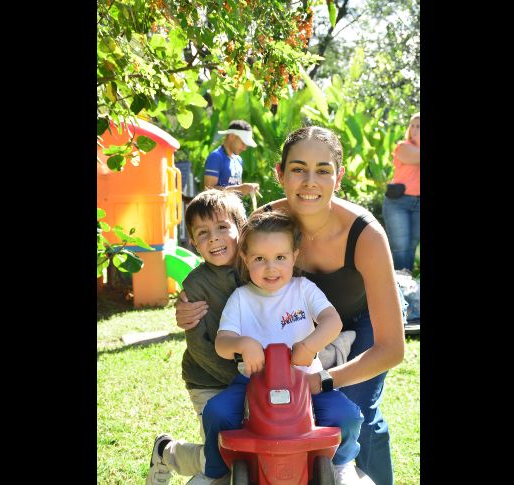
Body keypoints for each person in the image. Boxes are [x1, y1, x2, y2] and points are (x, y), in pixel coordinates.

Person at [177, 126, 406, 485]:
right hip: (290, 336)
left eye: (323, 170)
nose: (309, 181)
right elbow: (221, 265)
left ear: (338, 177)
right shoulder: (264, 224)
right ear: (279, 174)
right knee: (270, 417)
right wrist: (188, 301)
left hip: (363, 319)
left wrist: (324, 380)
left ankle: (357, 472)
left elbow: (392, 348)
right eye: (298, 169)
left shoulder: (366, 235)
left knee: (358, 410)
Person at [202, 210, 365, 484]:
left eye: (280, 258)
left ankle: (342, 463)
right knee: (216, 413)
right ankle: (216, 471)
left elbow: (332, 321)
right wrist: (242, 343)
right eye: (259, 259)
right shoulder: (241, 299)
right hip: (252, 382)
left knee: (347, 416)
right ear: (245, 259)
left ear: (294, 256)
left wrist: (309, 344)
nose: (271, 268)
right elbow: (222, 343)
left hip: (306, 380)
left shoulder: (303, 289)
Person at [145, 190, 247, 485]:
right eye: (203, 233)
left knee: (244, 449)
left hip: (252, 380)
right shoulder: (196, 285)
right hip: (209, 380)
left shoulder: (255, 268)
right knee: (221, 455)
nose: (214, 238)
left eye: (222, 228)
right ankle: (168, 453)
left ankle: (166, 452)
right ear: (193, 242)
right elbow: (199, 347)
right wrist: (238, 379)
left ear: (242, 228)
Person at [382, 114, 420, 271]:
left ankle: (407, 284)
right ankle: (398, 285)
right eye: (412, 125)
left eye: (419, 126)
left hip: (418, 204)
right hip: (398, 202)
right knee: (400, 246)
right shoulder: (403, 147)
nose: (414, 129)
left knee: (412, 245)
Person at [203, 120, 261, 197]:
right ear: (231, 136)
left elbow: (237, 192)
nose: (244, 148)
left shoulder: (238, 160)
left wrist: (247, 189)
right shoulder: (216, 157)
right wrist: (238, 189)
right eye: (243, 143)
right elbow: (208, 191)